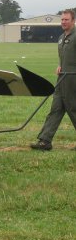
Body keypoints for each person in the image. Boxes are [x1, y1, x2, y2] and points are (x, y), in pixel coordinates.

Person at [30, 9, 76, 151]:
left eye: (66, 19)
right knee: (55, 109)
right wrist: (59, 66)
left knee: (73, 109)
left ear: (73, 21)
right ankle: (45, 141)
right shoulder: (62, 37)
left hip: (73, 80)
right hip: (61, 79)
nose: (63, 22)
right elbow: (63, 58)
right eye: (62, 19)